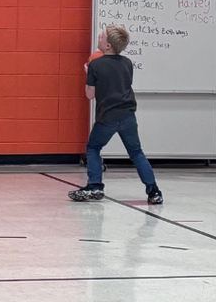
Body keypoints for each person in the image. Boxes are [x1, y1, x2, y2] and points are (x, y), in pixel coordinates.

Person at [68, 25, 162, 205]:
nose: (99, 37)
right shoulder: (127, 63)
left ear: (108, 45)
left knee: (93, 148)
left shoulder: (95, 64)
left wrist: (89, 75)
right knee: (136, 153)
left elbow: (90, 94)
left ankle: (95, 185)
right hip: (127, 115)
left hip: (107, 117)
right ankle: (154, 191)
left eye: (102, 36)